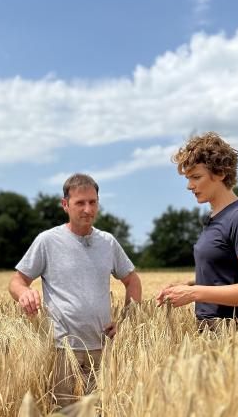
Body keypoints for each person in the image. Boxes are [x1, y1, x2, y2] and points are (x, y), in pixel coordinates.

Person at [8, 173, 142, 407]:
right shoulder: (47, 241)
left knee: (102, 410)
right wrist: (24, 293)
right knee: (64, 411)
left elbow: (132, 280)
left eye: (93, 202)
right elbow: (17, 281)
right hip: (62, 351)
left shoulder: (108, 242)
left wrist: (127, 320)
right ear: (65, 205)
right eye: (80, 203)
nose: (88, 209)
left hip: (102, 349)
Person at [156, 132, 238, 331]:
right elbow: (226, 276)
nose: (189, 186)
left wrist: (194, 294)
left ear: (220, 173)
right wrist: (189, 286)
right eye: (188, 178)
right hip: (212, 333)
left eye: (196, 177)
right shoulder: (214, 217)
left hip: (235, 335)